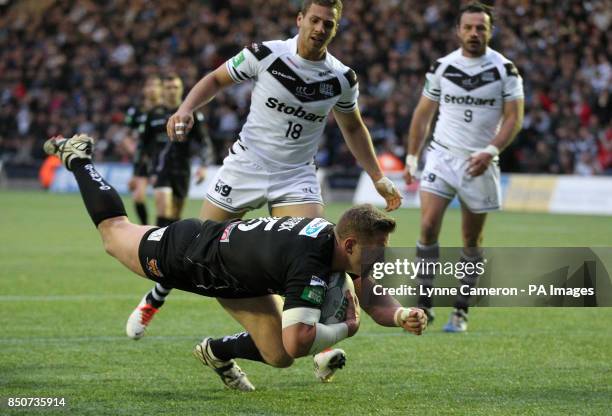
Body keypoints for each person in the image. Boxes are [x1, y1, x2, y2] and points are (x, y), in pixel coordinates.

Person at [127, 0, 402, 380]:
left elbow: (353, 128)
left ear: (335, 29)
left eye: (329, 24)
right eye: (315, 20)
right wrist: (187, 108)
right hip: (246, 167)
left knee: (321, 253)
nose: (320, 28)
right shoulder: (266, 54)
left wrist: (376, 175)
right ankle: (155, 297)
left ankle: (319, 347)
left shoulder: (341, 78)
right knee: (197, 250)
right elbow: (215, 80)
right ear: (300, 20)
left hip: (295, 176)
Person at [43, 133, 427, 392]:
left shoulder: (340, 246)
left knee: (276, 358)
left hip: (241, 280)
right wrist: (348, 327)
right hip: (191, 252)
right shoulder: (309, 259)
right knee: (114, 233)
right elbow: (300, 342)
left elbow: (372, 299)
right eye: (378, 251)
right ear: (348, 243)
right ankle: (78, 159)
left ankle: (216, 352)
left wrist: (400, 316)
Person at [403, 2, 524, 332]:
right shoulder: (442, 67)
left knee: (471, 239)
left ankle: (461, 310)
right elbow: (423, 114)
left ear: (490, 31)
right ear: (458, 31)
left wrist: (490, 150)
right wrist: (412, 158)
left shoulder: (505, 70)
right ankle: (424, 305)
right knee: (427, 226)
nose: (474, 33)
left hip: (480, 161)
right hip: (442, 156)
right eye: (468, 27)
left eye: (480, 28)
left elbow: (514, 117)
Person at [143, 74, 212, 227]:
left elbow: (204, 142)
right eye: (168, 87)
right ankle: (157, 247)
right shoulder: (154, 114)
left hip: (182, 169)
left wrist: (203, 165)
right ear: (163, 90)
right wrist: (148, 169)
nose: (172, 91)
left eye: (175, 87)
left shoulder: (190, 114)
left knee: (174, 215)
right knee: (163, 209)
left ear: (181, 90)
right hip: (160, 168)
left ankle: (170, 248)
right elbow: (144, 144)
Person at [124, 75, 162, 225]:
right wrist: (135, 152)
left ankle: (165, 230)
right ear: (144, 89)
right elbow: (126, 136)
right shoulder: (136, 111)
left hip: (162, 158)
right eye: (149, 85)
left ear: (161, 89)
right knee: (138, 197)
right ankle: (145, 227)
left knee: (163, 199)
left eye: (155, 85)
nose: (152, 89)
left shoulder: (166, 110)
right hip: (143, 158)